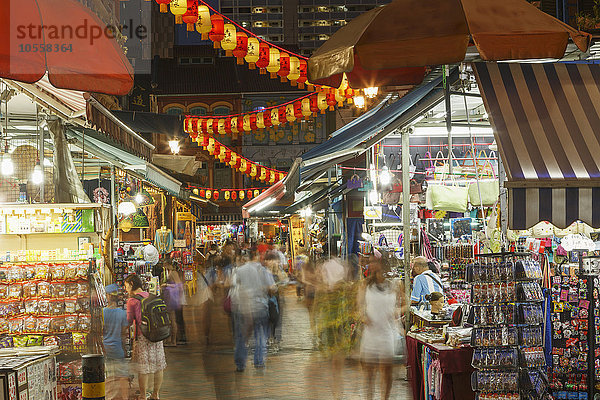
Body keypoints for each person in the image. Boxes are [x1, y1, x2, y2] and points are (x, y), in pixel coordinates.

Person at [358, 259, 398, 400]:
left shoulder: (394, 285)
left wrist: (396, 312)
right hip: (371, 334)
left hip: (387, 333)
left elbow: (404, 303)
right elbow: (358, 308)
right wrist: (363, 317)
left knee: (387, 372)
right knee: (369, 373)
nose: (373, 266)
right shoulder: (365, 285)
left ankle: (384, 398)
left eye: (375, 263)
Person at [231, 246, 275, 372]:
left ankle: (240, 363)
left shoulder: (239, 270)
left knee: (241, 336)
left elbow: (234, 287)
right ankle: (259, 361)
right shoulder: (263, 270)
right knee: (260, 334)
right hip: (260, 306)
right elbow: (272, 288)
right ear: (256, 256)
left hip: (243, 307)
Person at [125, 274, 167, 400]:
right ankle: (155, 394)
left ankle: (143, 396)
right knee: (158, 366)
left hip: (143, 336)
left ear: (132, 284)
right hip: (157, 336)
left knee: (144, 368)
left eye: (126, 286)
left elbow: (128, 321)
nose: (126, 289)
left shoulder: (132, 301)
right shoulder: (151, 296)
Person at [102, 284, 129, 400]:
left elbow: (100, 332)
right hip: (118, 348)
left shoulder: (102, 313)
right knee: (123, 375)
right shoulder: (122, 313)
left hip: (106, 348)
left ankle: (109, 397)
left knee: (108, 375)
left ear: (107, 296)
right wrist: (125, 349)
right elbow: (124, 334)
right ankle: (124, 397)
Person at [162, 262, 183, 347]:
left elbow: (179, 285)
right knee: (171, 319)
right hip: (170, 298)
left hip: (172, 299)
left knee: (172, 319)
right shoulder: (169, 272)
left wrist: (166, 285)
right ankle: (170, 339)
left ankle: (173, 341)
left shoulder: (173, 273)